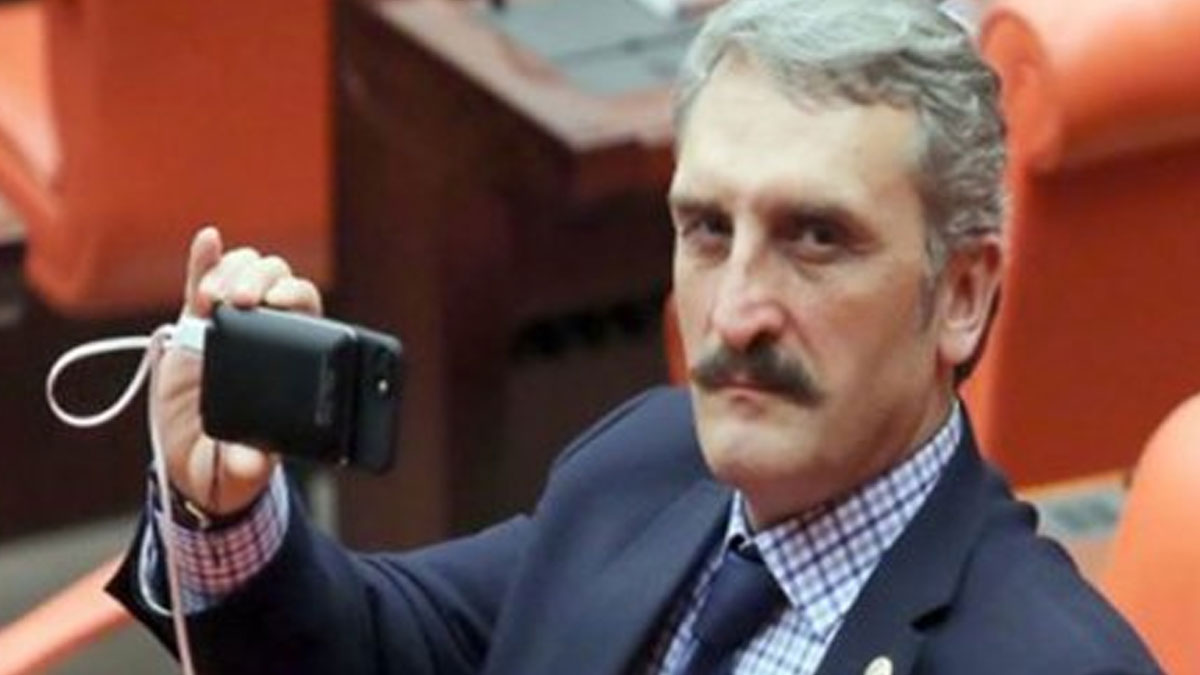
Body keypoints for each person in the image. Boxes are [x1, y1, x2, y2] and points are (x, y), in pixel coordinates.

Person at [108, 0, 1161, 673]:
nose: (736, 312)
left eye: (816, 239)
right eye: (708, 230)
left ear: (963, 293)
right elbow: (378, 648)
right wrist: (225, 513)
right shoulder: (647, 467)